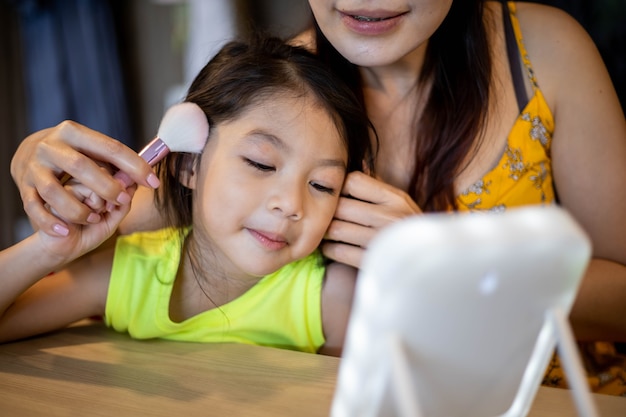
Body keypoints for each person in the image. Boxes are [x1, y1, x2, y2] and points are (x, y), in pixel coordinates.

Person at [10, 0, 626, 394]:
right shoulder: (280, 90)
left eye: (322, 184)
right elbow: (141, 208)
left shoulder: (544, 55)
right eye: (260, 163)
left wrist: (455, 267)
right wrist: (51, 204)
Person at [0, 35, 376, 357]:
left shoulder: (331, 296)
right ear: (187, 166)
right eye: (261, 164)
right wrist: (49, 249)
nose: (292, 205)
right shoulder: (128, 274)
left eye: (323, 185)